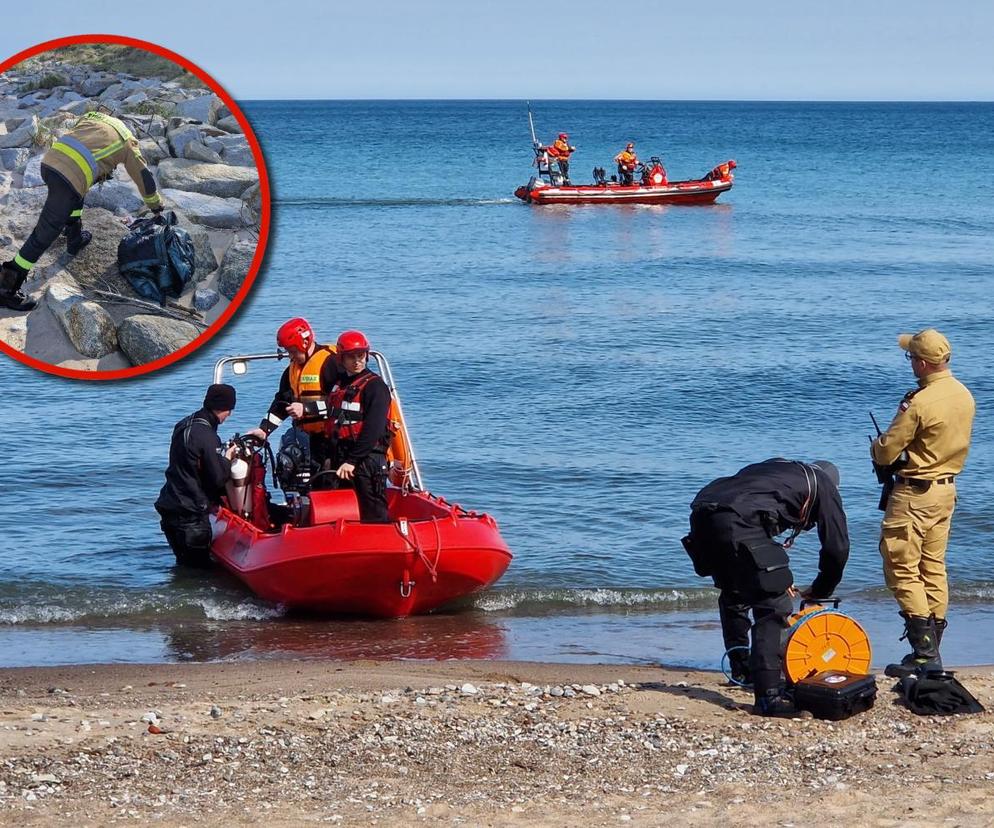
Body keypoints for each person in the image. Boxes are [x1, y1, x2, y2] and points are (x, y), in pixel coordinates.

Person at [683, 459, 850, 716]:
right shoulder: (824, 486)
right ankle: (768, 697)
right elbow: (836, 548)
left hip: (703, 512)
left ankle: (741, 669)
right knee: (775, 605)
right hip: (736, 518)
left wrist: (771, 574)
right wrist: (821, 591)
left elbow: (749, 525)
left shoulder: (780, 471)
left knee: (735, 592)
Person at [871, 329, 975, 678]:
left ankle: (924, 652)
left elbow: (887, 449)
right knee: (933, 566)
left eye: (911, 357)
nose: (910, 363)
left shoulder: (919, 403)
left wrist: (877, 449)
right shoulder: (964, 395)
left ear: (922, 362)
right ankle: (932, 649)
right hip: (946, 491)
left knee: (900, 565)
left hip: (914, 492)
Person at [0, 110, 163, 312]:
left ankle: (74, 238)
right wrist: (156, 206)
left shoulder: (95, 117)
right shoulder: (127, 143)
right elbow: (144, 177)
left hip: (50, 162)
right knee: (45, 232)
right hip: (69, 177)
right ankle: (6, 286)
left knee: (76, 195)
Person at [155, 384, 239, 567]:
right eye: (229, 410)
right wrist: (226, 458)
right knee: (199, 573)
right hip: (191, 516)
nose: (229, 415)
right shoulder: (208, 436)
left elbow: (189, 464)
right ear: (224, 408)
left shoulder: (184, 424)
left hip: (170, 507)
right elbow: (217, 478)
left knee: (183, 567)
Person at [249, 317, 339, 476]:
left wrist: (306, 408)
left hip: (333, 439)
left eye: (292, 351)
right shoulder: (291, 371)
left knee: (328, 483)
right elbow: (282, 403)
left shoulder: (331, 363)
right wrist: (264, 430)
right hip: (308, 440)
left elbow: (340, 403)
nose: (290, 356)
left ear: (303, 344)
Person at [325, 330, 393, 523]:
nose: (357, 361)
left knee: (373, 513)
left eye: (361, 356)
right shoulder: (340, 385)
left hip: (367, 460)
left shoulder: (375, 387)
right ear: (341, 358)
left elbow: (374, 429)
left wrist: (353, 461)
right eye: (351, 357)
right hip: (343, 457)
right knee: (345, 513)